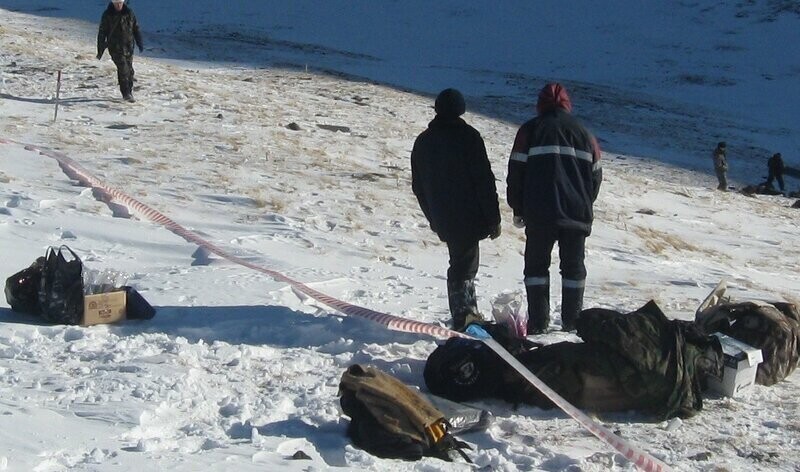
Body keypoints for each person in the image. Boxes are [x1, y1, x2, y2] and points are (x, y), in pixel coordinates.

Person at [506, 83, 602, 333]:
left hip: (539, 215)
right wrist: (584, 203)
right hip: (576, 215)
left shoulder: (529, 131)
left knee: (536, 268)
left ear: (540, 104)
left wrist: (518, 208)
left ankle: (538, 323)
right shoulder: (585, 133)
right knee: (573, 269)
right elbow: (596, 177)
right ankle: (573, 322)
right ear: (567, 104)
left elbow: (516, 173)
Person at [411, 88, 502, 331]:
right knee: (465, 266)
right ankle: (465, 316)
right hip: (469, 213)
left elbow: (418, 186)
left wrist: (433, 217)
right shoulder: (469, 137)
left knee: (460, 262)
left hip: (443, 214)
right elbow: (484, 180)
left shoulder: (423, 141)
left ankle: (464, 314)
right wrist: (493, 218)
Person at [97, 0, 143, 102]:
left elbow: (136, 28)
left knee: (130, 70)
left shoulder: (129, 13)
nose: (118, 5)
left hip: (129, 47)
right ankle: (126, 93)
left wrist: (140, 42)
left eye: (120, 3)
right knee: (123, 68)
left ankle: (129, 91)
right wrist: (100, 49)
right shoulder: (108, 14)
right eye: (116, 3)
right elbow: (102, 32)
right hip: (115, 48)